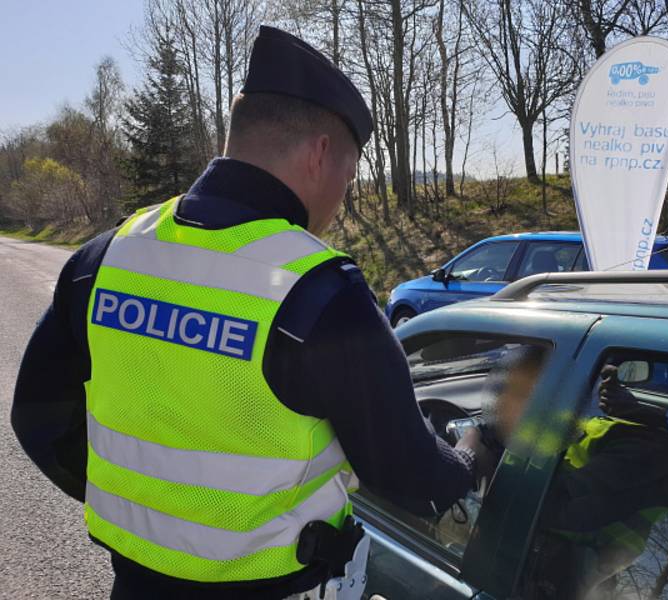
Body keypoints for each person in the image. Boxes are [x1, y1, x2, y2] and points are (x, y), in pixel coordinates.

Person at [11, 26, 489, 600]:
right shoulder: (319, 291)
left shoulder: (106, 256)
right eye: (349, 174)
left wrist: (143, 517)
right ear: (319, 154)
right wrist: (470, 453)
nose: (342, 196)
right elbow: (412, 475)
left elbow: (37, 415)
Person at [527, 364, 668, 600]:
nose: (606, 383)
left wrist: (495, 460)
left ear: (658, 391)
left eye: (624, 374)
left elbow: (561, 510)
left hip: (551, 572)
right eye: (605, 376)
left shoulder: (651, 447)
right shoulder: (617, 429)